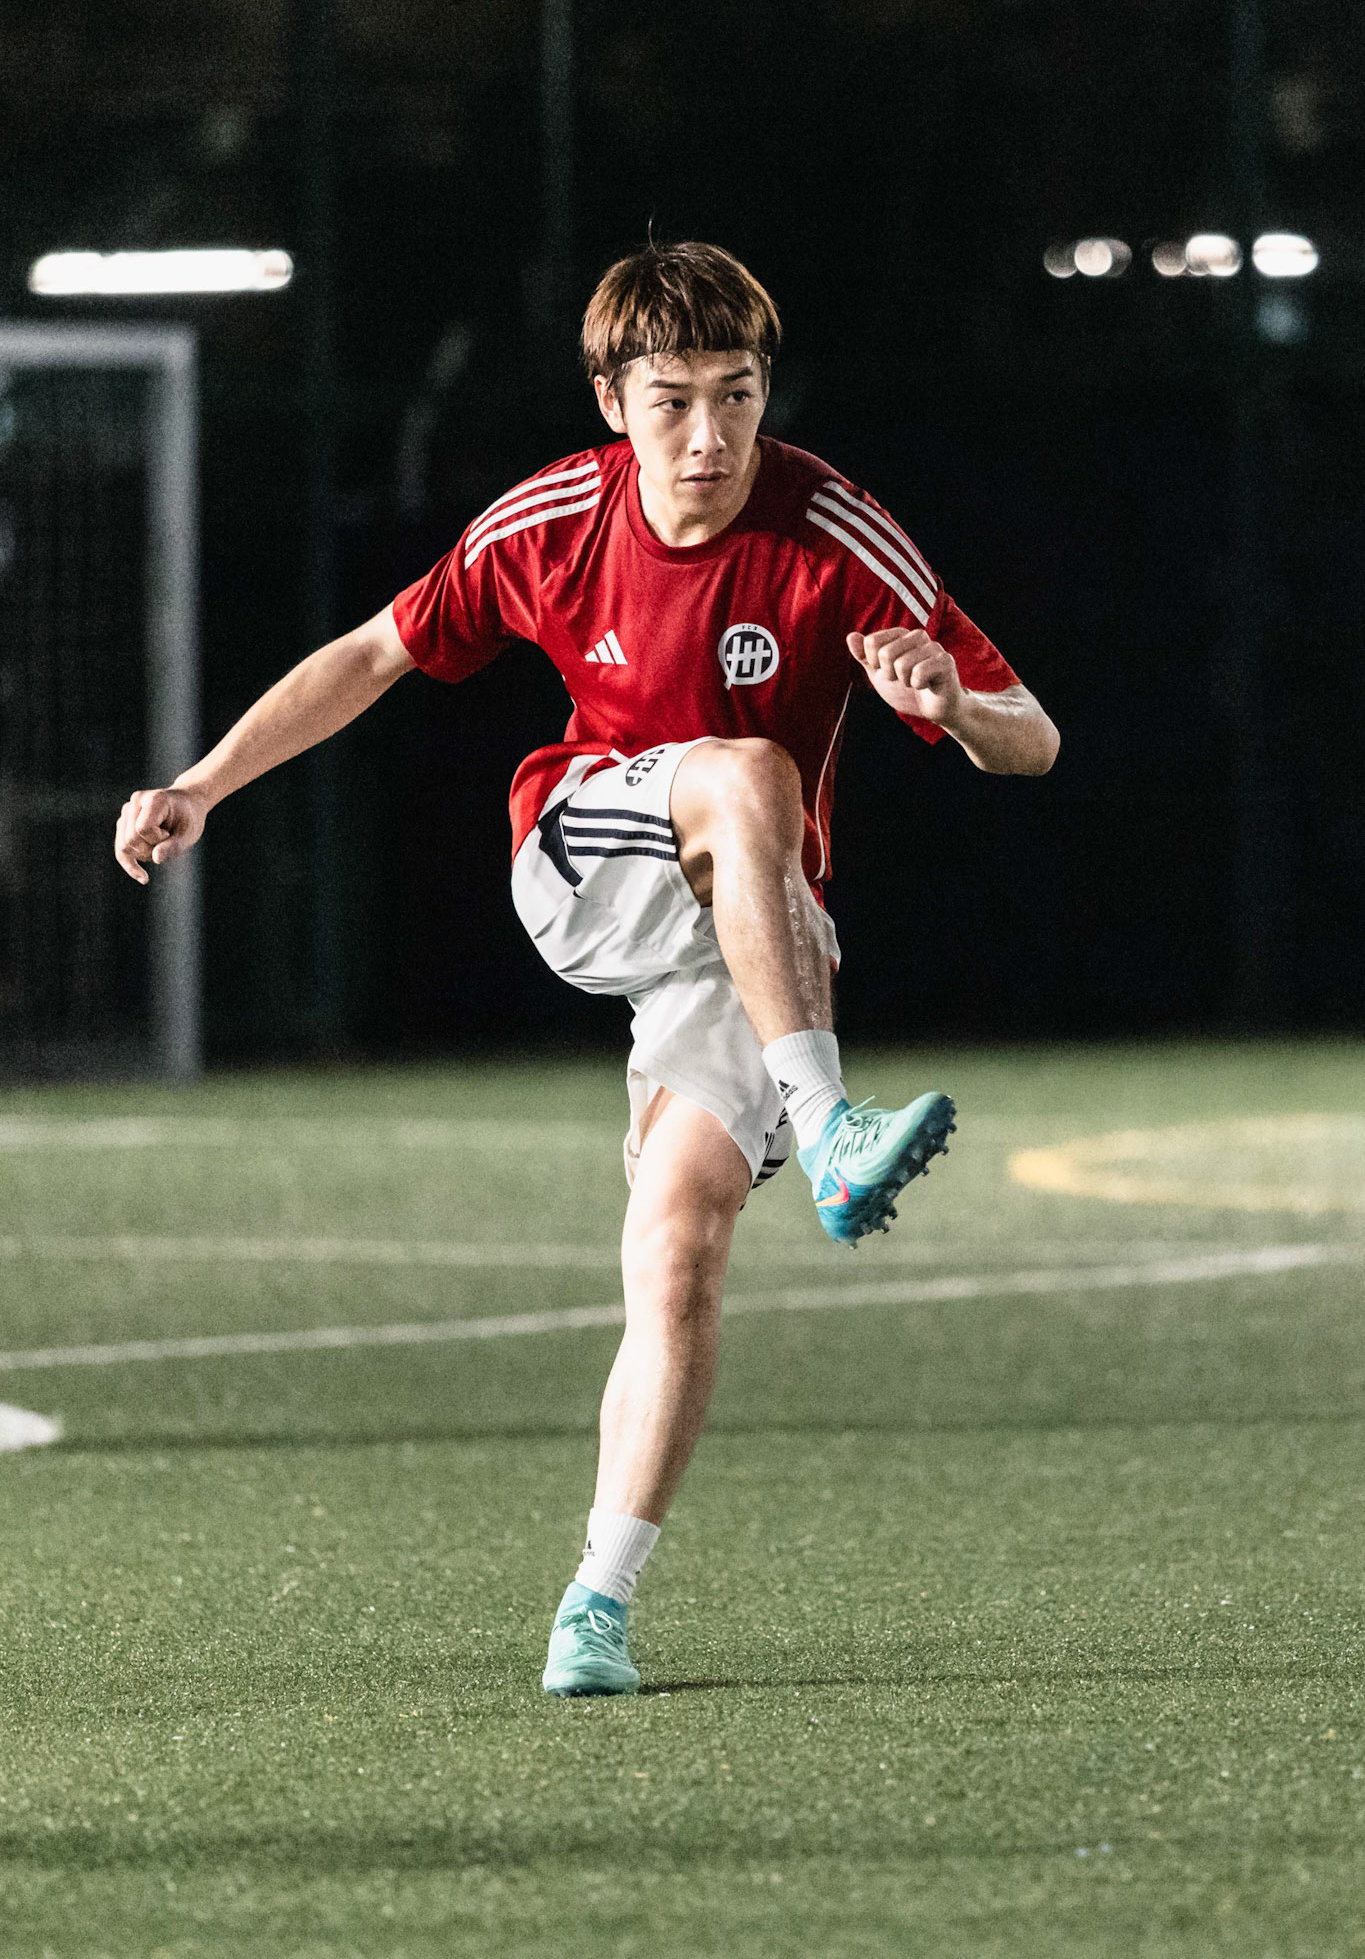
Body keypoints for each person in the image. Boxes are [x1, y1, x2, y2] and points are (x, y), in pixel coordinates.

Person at [115, 240, 1058, 1699]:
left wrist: (948, 702)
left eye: (737, 396)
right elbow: (372, 654)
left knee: (678, 1247)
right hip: (586, 858)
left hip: (751, 936)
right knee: (745, 775)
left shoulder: (836, 535)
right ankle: (831, 1127)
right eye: (674, 400)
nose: (710, 436)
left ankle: (593, 1608)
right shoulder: (553, 519)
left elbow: (1030, 736)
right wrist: (204, 782)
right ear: (613, 401)